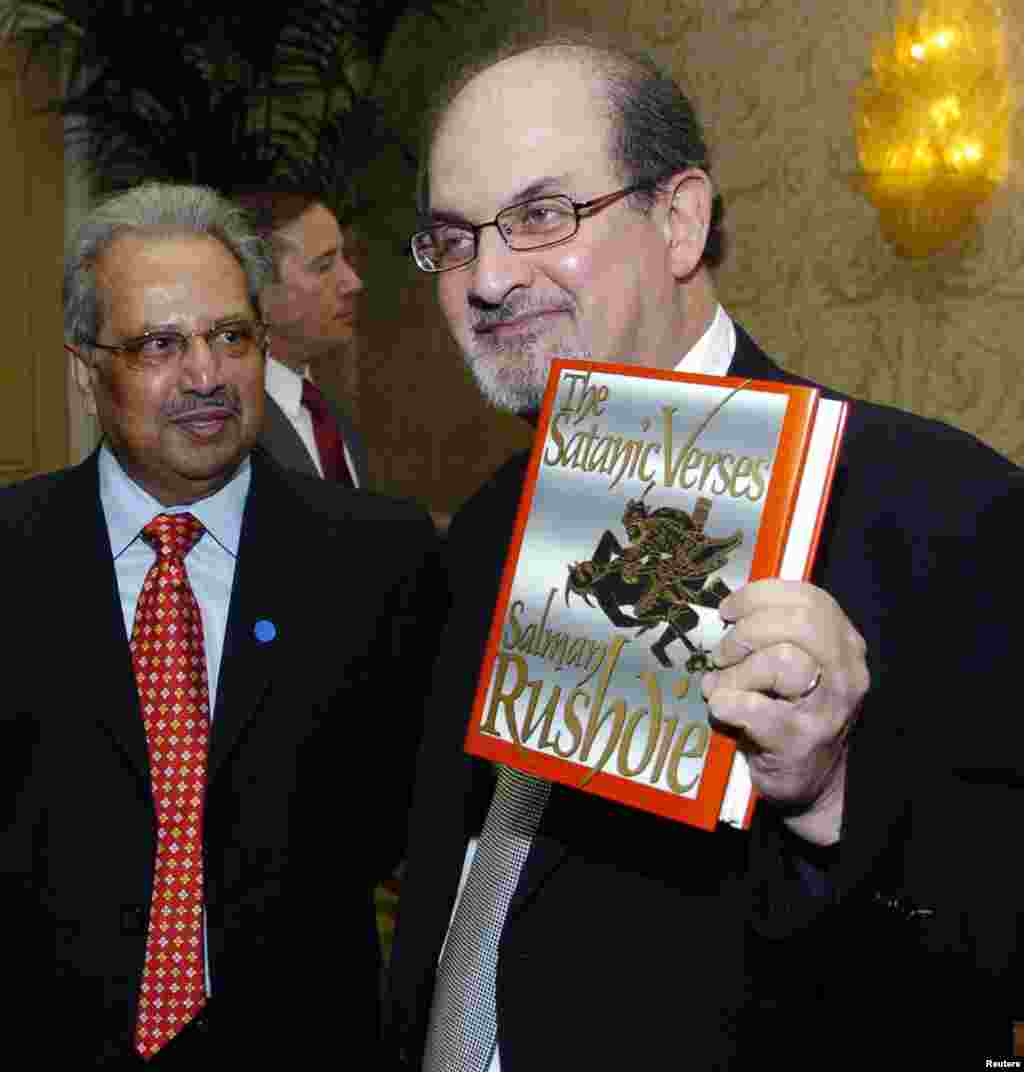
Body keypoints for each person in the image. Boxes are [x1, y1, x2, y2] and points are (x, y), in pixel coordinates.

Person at [387, 31, 1023, 1068]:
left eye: (542, 215)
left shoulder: (934, 508)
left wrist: (831, 793)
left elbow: (990, 937)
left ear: (679, 219)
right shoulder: (487, 526)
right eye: (453, 237)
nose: (488, 277)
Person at [2, 183, 444, 1066]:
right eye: (160, 344)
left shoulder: (378, 561)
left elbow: (423, 841)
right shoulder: (10, 559)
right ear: (87, 370)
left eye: (230, 337)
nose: (205, 376)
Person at [232, 187, 368, 486]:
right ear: (260, 296)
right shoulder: (231, 436)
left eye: (345, 259)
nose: (353, 282)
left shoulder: (333, 419)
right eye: (324, 266)